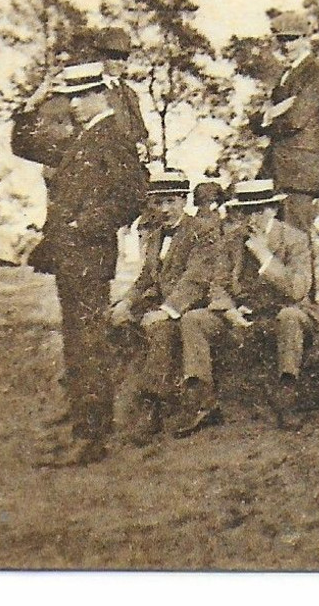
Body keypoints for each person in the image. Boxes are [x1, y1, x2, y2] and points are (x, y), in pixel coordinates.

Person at [13, 62, 148, 466]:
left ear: (96, 96)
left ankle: (92, 438)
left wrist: (83, 224)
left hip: (89, 256)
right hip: (71, 258)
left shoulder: (112, 137)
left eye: (76, 98)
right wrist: (34, 101)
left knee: (88, 345)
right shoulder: (82, 139)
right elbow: (24, 144)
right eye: (68, 98)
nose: (70, 106)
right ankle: (81, 430)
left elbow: (132, 195)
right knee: (78, 344)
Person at [176, 179, 316, 434]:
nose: (253, 219)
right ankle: (203, 403)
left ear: (273, 209)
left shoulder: (295, 239)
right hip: (243, 313)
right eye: (246, 211)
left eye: (259, 210)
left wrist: (265, 256)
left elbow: (298, 289)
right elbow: (217, 284)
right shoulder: (231, 240)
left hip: (283, 312)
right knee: (194, 319)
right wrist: (229, 311)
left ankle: (287, 396)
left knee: (290, 317)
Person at [110, 169, 229, 446]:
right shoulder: (154, 236)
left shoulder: (202, 231)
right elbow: (146, 278)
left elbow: (196, 280)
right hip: (162, 304)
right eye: (158, 202)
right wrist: (127, 302)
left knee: (161, 330)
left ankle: (155, 408)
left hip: (191, 308)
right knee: (112, 321)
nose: (164, 209)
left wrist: (166, 310)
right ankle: (113, 407)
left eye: (170, 201)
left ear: (184, 200)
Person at [253, 10, 319, 299]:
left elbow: (297, 119)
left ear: (305, 39)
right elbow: (259, 120)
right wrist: (272, 114)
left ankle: (304, 299)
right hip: (277, 166)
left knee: (297, 234)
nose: (285, 45)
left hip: (299, 166)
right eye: (281, 40)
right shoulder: (285, 76)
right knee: (275, 232)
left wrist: (270, 116)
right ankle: (285, 295)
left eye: (291, 39)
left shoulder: (317, 73)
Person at [86, 26, 151, 160]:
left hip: (127, 162)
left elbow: (140, 130)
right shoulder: (91, 89)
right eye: (115, 57)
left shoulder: (130, 94)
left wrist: (142, 145)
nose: (120, 63)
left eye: (124, 58)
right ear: (102, 57)